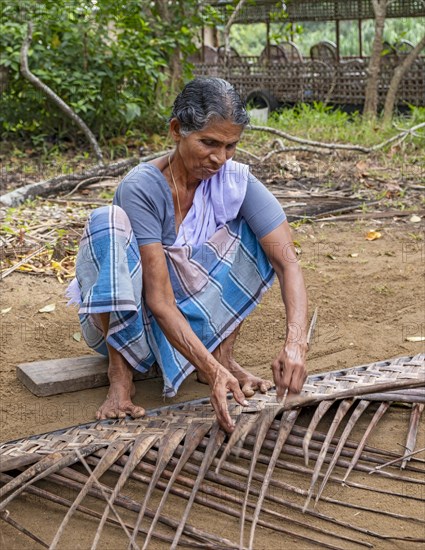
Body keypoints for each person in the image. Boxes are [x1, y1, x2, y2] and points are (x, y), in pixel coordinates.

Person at [67, 77, 308, 433]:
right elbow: (160, 300)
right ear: (177, 130)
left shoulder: (233, 180)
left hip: (190, 323)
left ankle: (222, 357)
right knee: (108, 222)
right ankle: (121, 375)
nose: (219, 158)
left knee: (265, 239)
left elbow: (288, 264)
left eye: (230, 146)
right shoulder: (143, 187)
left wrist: (295, 344)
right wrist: (214, 376)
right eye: (208, 142)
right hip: (131, 326)